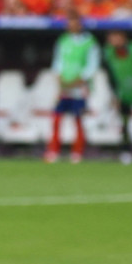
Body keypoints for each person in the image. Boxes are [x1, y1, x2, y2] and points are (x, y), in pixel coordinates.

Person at [45, 12, 100, 164]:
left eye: (75, 22)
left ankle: (77, 153)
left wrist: (79, 80)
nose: (71, 25)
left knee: (78, 119)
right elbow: (57, 62)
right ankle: (53, 151)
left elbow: (92, 65)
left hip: (79, 88)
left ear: (80, 24)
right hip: (63, 87)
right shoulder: (63, 40)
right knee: (56, 118)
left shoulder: (89, 42)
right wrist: (59, 78)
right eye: (69, 22)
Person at [102, 30, 132, 163]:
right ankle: (126, 151)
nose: (112, 41)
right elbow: (111, 77)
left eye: (115, 37)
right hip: (124, 93)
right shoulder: (109, 52)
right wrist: (115, 94)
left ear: (123, 38)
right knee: (124, 123)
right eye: (110, 38)